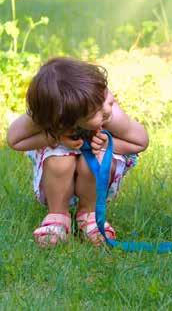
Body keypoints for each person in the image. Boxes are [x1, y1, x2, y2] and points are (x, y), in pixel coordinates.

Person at [7, 57, 149, 246]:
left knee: (95, 162)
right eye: (94, 113)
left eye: (105, 97)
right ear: (63, 119)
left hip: (95, 170)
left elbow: (140, 141)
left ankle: (89, 214)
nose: (106, 108)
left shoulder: (106, 111)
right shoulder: (51, 111)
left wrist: (108, 144)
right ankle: (57, 215)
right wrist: (55, 138)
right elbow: (15, 140)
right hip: (57, 171)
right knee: (60, 160)